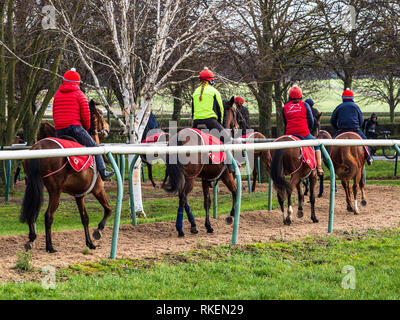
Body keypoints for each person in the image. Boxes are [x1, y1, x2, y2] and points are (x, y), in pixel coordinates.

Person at [52, 68, 115, 181]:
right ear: (77, 82)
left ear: (64, 80)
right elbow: (86, 116)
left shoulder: (57, 95)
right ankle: (103, 172)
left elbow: (55, 113)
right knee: (95, 147)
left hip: (59, 130)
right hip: (74, 129)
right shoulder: (79, 95)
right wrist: (85, 128)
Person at [191, 68, 232, 171]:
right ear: (211, 80)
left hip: (196, 122)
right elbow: (221, 110)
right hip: (210, 121)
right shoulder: (214, 91)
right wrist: (221, 124)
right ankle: (230, 165)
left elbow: (193, 111)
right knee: (226, 139)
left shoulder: (195, 92)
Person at [282, 85, 324, 176]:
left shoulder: (285, 107)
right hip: (304, 133)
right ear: (301, 96)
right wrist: (307, 130)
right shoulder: (305, 105)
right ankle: (319, 167)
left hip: (290, 134)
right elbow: (311, 121)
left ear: (289, 96)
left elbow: (285, 122)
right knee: (317, 145)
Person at [330, 88, 373, 165]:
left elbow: (332, 120)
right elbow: (361, 120)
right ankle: (369, 158)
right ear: (352, 98)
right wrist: (357, 127)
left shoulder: (339, 107)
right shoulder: (356, 106)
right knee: (365, 141)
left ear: (343, 98)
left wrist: (338, 129)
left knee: (331, 144)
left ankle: (330, 159)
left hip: (342, 130)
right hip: (355, 130)